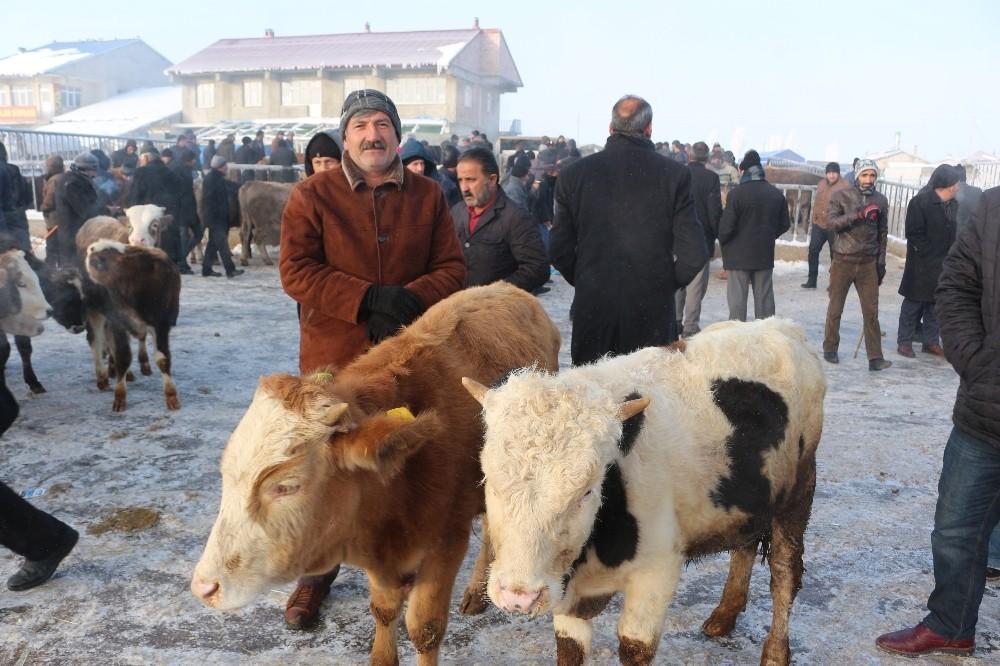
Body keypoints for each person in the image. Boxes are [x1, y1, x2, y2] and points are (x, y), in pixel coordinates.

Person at [278, 89, 465, 629]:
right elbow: (296, 271)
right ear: (345, 136)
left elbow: (452, 268)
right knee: (326, 466)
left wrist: (409, 299)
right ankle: (315, 574)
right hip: (334, 363)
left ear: (397, 135)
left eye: (381, 123)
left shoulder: (428, 195)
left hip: (406, 362)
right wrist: (365, 299)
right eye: (360, 125)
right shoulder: (312, 194)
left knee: (401, 454)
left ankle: (399, 559)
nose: (372, 134)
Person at [875, 186, 1000, 658]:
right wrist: (975, 359)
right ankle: (951, 624)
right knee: (955, 530)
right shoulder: (993, 208)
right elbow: (957, 284)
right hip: (986, 411)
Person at [549, 94, 706, 365]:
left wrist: (587, 279)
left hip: (594, 310)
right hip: (652, 315)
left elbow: (559, 248)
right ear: (649, 129)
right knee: (651, 399)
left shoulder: (574, 175)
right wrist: (662, 284)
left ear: (611, 128)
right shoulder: (674, 175)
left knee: (594, 396)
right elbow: (694, 253)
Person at [822, 158, 892, 370]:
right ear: (857, 175)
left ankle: (875, 357)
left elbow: (882, 233)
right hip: (843, 260)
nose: (869, 180)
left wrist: (881, 264)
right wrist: (857, 214)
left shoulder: (880, 200)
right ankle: (830, 348)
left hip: (868, 263)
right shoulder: (840, 196)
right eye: (865, 175)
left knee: (871, 312)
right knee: (835, 308)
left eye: (872, 175)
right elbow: (831, 223)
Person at [450, 147, 548, 293]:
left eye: (471, 180)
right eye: (460, 180)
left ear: (492, 179)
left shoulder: (515, 217)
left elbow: (537, 269)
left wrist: (494, 293)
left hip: (496, 311)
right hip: (457, 307)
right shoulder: (456, 212)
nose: (464, 188)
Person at [717, 150, 790, 322]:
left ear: (743, 171)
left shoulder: (736, 194)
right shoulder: (776, 193)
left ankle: (738, 340)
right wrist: (768, 235)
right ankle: (766, 339)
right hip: (763, 255)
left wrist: (726, 242)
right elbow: (785, 224)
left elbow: (726, 228)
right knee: (765, 304)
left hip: (738, 257)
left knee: (737, 304)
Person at [896, 164, 960, 358]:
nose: (958, 187)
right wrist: (930, 253)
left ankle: (930, 341)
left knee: (935, 305)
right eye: (956, 183)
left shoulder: (954, 205)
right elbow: (913, 232)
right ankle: (904, 341)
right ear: (947, 184)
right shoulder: (920, 202)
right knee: (913, 303)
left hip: (944, 264)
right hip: (921, 265)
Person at [676, 141, 722, 336]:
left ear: (690, 156)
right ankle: (690, 325)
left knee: (677, 281)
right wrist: (717, 232)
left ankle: (675, 320)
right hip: (700, 237)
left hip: (677, 236)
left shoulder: (677, 173)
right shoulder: (711, 178)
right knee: (696, 285)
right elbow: (714, 211)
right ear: (707, 158)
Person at [127, 147, 183, 264]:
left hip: (147, 227)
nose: (140, 161)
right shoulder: (170, 173)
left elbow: (134, 197)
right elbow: (178, 197)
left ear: (146, 158)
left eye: (141, 158)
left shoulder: (141, 172)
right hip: (167, 223)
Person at [803, 162, 851, 289]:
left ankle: (834, 283)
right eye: (829, 173)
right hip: (819, 224)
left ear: (838, 173)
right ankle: (812, 280)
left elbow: (849, 207)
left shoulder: (845, 186)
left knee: (834, 255)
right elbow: (817, 202)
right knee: (813, 250)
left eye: (834, 173)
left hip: (835, 226)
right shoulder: (821, 183)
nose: (831, 175)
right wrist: (814, 219)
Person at [54, 153, 102, 268]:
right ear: (84, 169)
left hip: (80, 231)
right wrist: (106, 211)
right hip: (72, 232)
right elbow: (84, 209)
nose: (95, 174)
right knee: (73, 267)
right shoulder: (72, 183)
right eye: (93, 170)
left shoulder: (80, 180)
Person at [200, 156, 242, 278]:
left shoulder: (216, 178)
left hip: (216, 217)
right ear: (220, 167)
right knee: (223, 245)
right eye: (225, 166)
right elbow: (210, 199)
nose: (227, 168)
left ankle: (206, 269)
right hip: (216, 218)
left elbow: (230, 185)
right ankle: (230, 269)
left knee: (212, 245)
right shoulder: (213, 179)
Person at [399, 138, 461, 207]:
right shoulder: (394, 188)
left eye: (422, 164)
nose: (420, 169)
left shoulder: (442, 186)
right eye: (415, 164)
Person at [170, 149, 202, 274]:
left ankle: (181, 259)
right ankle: (181, 262)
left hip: (186, 208)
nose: (195, 161)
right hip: (183, 208)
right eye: (193, 158)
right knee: (190, 235)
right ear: (189, 159)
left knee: (193, 234)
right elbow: (183, 191)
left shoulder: (180, 168)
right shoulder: (181, 170)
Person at [0, 141, 32, 253]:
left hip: (4, 226)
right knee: (24, 257)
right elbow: (28, 196)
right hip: (18, 219)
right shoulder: (15, 171)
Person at [40, 155, 65, 266]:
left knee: (52, 246)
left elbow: (50, 200)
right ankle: (61, 266)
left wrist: (43, 207)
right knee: (61, 246)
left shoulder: (54, 180)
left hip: (54, 219)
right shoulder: (65, 177)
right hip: (63, 218)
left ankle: (49, 269)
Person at [954, 164, 983, 233]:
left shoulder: (951, 193)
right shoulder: (978, 191)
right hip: (973, 234)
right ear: (965, 177)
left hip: (955, 235)